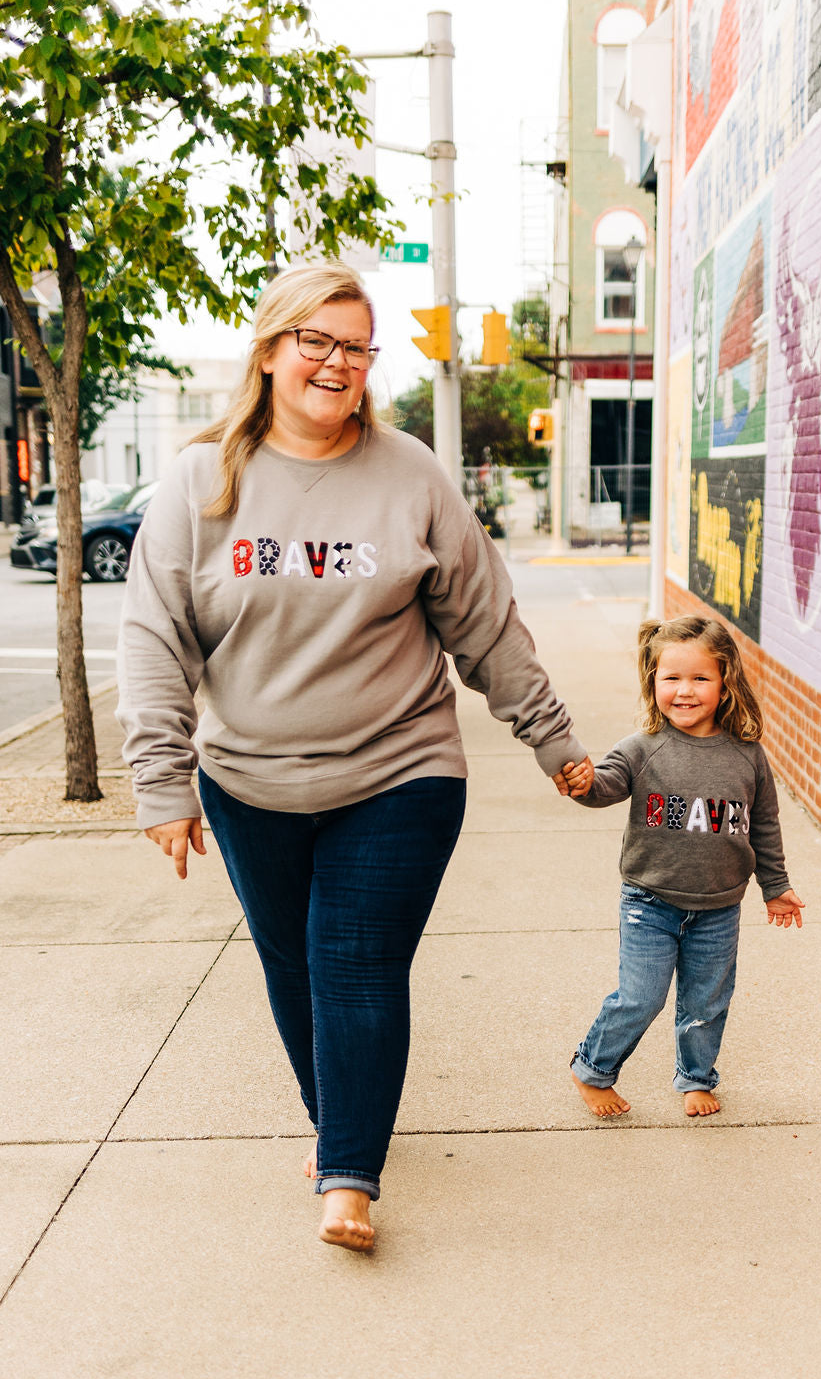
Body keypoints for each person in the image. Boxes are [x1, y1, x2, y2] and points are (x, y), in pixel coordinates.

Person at [116, 261, 593, 1253]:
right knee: (291, 963)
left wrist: (550, 738)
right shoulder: (201, 484)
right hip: (249, 782)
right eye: (316, 342)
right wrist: (162, 783)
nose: (337, 363)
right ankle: (337, 1121)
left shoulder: (409, 473)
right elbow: (154, 641)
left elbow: (484, 624)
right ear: (271, 351)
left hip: (399, 771)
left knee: (353, 958)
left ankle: (349, 1178)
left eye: (356, 346)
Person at [555, 614, 803, 1119]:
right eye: (671, 678)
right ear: (653, 682)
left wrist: (775, 886)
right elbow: (604, 785)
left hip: (719, 907)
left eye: (699, 678)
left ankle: (695, 1078)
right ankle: (593, 1070)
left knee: (707, 1002)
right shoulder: (642, 748)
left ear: (725, 681)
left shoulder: (747, 755)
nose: (684, 691)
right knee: (640, 997)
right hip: (650, 901)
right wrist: (581, 783)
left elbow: (766, 826)